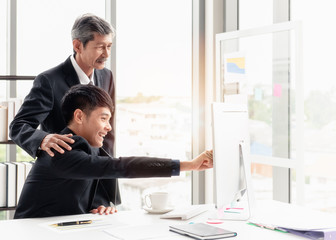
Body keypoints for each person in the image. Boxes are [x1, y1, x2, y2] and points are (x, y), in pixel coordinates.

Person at [14, 84, 213, 219]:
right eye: (103, 118)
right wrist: (189, 165)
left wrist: (100, 205)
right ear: (79, 116)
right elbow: (122, 167)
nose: (109, 127)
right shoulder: (62, 151)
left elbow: (82, 188)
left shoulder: (89, 149)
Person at [9, 13, 121, 209]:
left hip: (95, 189)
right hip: (61, 187)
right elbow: (18, 126)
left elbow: (107, 140)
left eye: (109, 46)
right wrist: (42, 139)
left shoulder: (107, 77)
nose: (106, 54)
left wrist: (104, 198)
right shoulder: (49, 80)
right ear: (78, 45)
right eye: (100, 47)